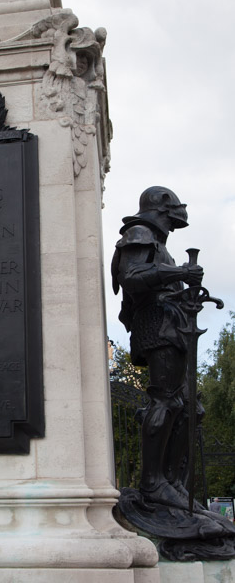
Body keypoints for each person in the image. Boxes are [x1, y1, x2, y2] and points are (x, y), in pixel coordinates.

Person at [111, 187, 204, 510]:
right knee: (165, 400)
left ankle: (172, 483)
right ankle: (153, 483)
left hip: (173, 325)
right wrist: (180, 272)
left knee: (190, 408)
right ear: (163, 207)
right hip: (156, 324)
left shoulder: (159, 243)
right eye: (176, 211)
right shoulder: (139, 232)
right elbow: (132, 276)